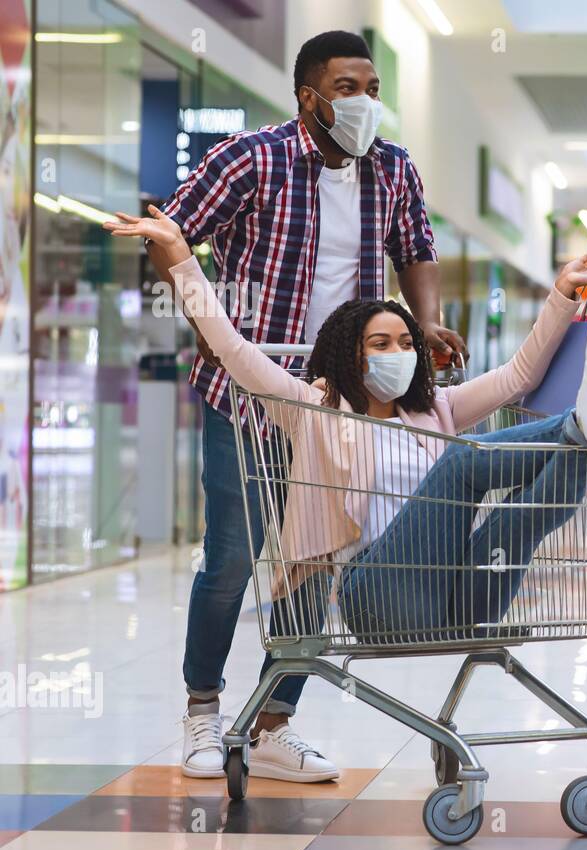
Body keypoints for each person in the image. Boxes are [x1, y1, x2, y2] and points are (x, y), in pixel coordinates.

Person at [109, 207, 587, 779]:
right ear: (349, 354)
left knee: (526, 516)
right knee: (465, 464)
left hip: (466, 593)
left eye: (405, 342)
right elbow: (235, 351)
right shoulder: (315, 412)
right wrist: (181, 260)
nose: (398, 352)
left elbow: (517, 376)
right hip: (381, 595)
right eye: (380, 343)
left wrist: (562, 294)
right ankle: (579, 423)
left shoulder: (435, 410)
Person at [150, 31, 467, 781]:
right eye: (347, 88)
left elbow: (415, 247)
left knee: (314, 565)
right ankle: (203, 711)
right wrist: (221, 335)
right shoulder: (251, 158)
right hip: (254, 396)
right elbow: (172, 234)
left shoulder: (392, 168)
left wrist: (421, 327)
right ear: (309, 97)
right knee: (232, 556)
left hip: (338, 408)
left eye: (372, 87)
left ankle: (271, 723)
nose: (364, 102)